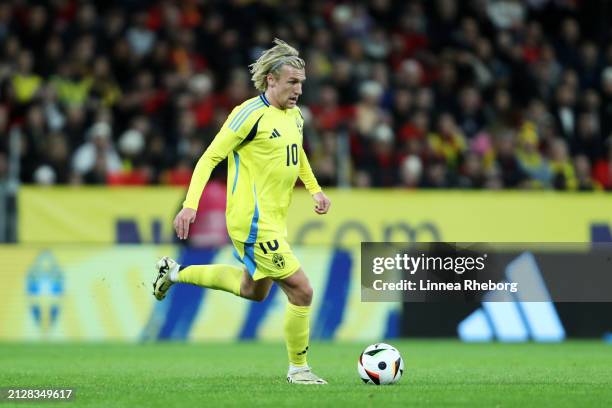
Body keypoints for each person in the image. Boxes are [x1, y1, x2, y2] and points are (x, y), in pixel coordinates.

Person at [152, 39, 331, 384]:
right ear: (271, 81)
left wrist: (315, 189)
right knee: (302, 291)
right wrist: (191, 205)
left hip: (274, 220)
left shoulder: (295, 116)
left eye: (302, 84)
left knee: (254, 290)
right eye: (292, 82)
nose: (299, 90)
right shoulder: (247, 115)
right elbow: (209, 157)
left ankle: (173, 273)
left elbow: (298, 154)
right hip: (252, 221)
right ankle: (299, 370)